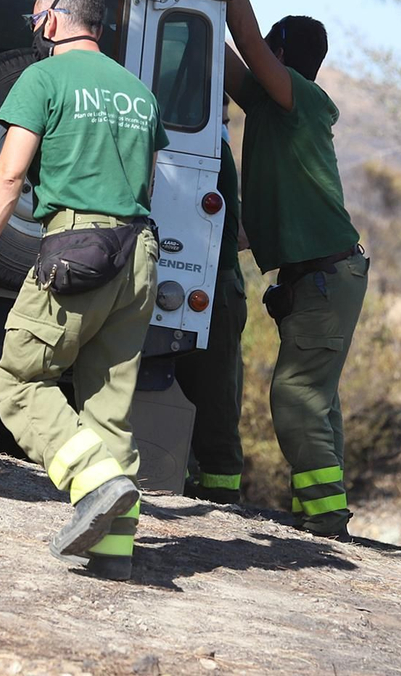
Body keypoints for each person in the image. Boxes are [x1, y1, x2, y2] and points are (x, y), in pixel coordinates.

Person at [0, 0, 168, 581]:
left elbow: (6, 174)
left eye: (34, 12)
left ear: (52, 17)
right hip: (139, 251)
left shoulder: (43, 76)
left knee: (20, 383)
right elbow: (141, 180)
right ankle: (115, 554)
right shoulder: (138, 92)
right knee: (109, 401)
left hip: (76, 246)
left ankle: (95, 484)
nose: (33, 23)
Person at [223, 0, 368, 539]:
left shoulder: (300, 100)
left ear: (284, 56)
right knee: (315, 395)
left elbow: (249, 47)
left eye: (271, 55)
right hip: (323, 274)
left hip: (327, 275)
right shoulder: (270, 109)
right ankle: (319, 510)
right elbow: (229, 54)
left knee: (296, 394)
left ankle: (327, 518)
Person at [175, 95, 248, 503]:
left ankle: (220, 495)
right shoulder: (215, 146)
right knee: (213, 396)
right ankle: (205, 487)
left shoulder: (210, 147)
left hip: (215, 284)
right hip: (217, 283)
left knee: (214, 399)